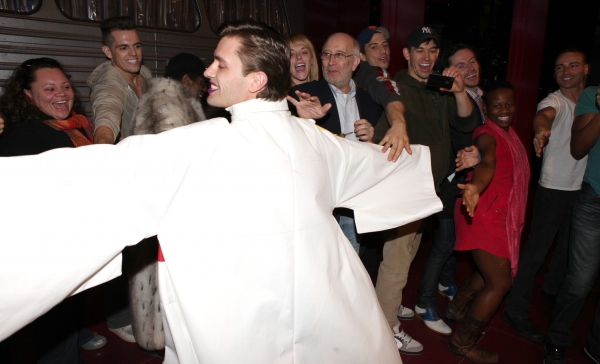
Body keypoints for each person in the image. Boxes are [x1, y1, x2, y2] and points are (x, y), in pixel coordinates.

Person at [0, 20, 443, 364]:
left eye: (220, 63)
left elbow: (102, 175)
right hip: (324, 310)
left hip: (239, 321)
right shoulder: (318, 140)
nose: (207, 70)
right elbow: (386, 167)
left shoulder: (203, 144)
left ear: (255, 81)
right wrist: (416, 155)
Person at [374, 26, 478, 351]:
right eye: (420, 49)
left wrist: (459, 91)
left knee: (407, 253)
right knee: (397, 260)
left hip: (428, 193)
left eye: (433, 50)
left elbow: (466, 124)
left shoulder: (438, 88)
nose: (427, 56)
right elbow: (381, 137)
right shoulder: (396, 90)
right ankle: (385, 327)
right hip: (406, 191)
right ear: (406, 54)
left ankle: (388, 307)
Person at [0, 57, 105, 363]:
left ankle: (77, 332)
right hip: (45, 244)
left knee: (73, 300)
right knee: (56, 314)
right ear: (27, 95)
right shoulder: (23, 136)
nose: (62, 94)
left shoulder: (74, 126)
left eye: (65, 86)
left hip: (72, 233)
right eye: (49, 88)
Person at [503, 49, 589, 344]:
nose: (566, 72)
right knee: (536, 253)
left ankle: (551, 292)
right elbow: (544, 116)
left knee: (567, 251)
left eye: (573, 66)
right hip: (554, 189)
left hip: (583, 190)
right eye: (560, 67)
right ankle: (514, 310)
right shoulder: (556, 101)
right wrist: (541, 131)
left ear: (586, 69)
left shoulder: (591, 100)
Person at [450, 81, 529, 363]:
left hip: (495, 214)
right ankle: (462, 343)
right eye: (497, 105)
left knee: (488, 274)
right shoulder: (487, 134)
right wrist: (475, 187)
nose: (504, 110)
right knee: (500, 283)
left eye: (509, 104)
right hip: (482, 213)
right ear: (486, 107)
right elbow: (488, 162)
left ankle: (456, 310)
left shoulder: (510, 133)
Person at [413, 43, 485, 335]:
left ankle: (445, 282)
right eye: (461, 65)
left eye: (472, 61)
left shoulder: (479, 95)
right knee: (444, 243)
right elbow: (459, 138)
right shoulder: (449, 98)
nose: (469, 68)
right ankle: (424, 302)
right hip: (446, 180)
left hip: (461, 181)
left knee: (454, 239)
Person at [288, 32, 382, 255]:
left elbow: (381, 152)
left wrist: (373, 137)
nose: (331, 62)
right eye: (327, 55)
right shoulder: (305, 94)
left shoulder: (369, 102)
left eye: (339, 55)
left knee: (349, 265)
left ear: (356, 61)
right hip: (318, 202)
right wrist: (307, 120)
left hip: (352, 201)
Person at [544, 85, 600, 364]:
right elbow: (578, 148)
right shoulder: (594, 95)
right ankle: (556, 343)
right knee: (579, 281)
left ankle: (596, 346)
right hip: (594, 199)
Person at [88, 16, 152, 144]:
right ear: (108, 52)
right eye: (123, 48)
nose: (133, 53)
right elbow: (107, 118)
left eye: (137, 46)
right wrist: (103, 149)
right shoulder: (109, 83)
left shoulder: (145, 72)